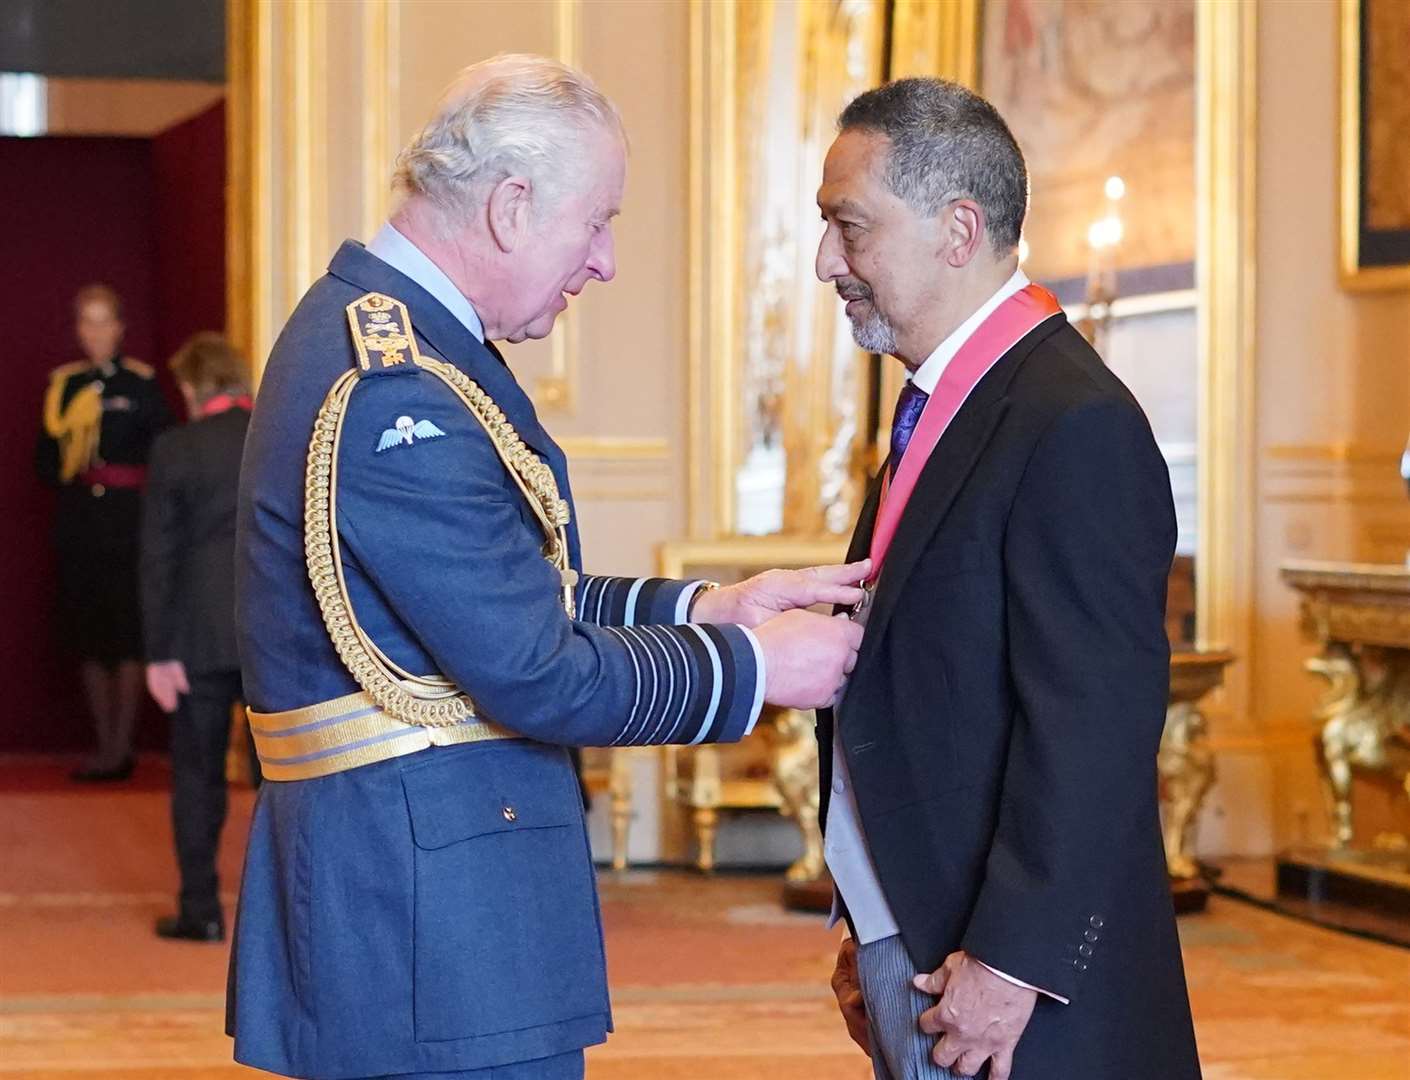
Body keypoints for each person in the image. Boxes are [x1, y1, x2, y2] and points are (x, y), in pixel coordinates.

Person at [226, 54, 866, 1080]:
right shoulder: (396, 387)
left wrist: (715, 605)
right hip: (430, 933)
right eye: (599, 220)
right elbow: (531, 668)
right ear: (513, 207)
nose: (605, 259)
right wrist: (755, 669)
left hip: (434, 905)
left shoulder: (410, 347)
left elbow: (502, 587)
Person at [815, 79, 1200, 1080]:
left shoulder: (1073, 420)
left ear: (957, 229)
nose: (827, 264)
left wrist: (1011, 964)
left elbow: (1094, 723)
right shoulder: (947, 406)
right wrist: (874, 923)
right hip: (929, 942)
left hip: (1012, 997)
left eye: (847, 227)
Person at [141, 332, 260, 943]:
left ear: (193, 386)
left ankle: (201, 911)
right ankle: (281, 918)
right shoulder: (277, 437)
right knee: (284, 785)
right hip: (272, 638)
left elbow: (157, 557)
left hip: (195, 638)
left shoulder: (176, 449)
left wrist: (158, 652)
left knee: (197, 777)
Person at [36, 283, 172, 782]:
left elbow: (162, 454)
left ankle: (121, 748)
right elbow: (46, 466)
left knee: (125, 632)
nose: (96, 332)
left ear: (120, 328)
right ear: (78, 330)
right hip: (80, 525)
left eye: (104, 321)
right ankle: (104, 746)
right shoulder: (64, 387)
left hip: (127, 523)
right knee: (90, 635)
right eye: (86, 322)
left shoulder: (141, 386)